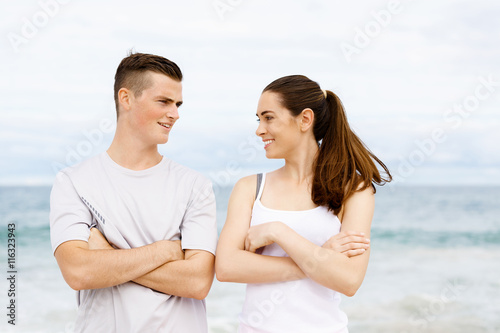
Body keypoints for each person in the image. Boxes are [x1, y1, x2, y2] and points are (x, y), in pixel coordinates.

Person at [49, 52, 218, 332]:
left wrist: (109, 256)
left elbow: (197, 282)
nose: (175, 114)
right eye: (163, 101)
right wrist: (165, 250)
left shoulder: (195, 185)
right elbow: (79, 272)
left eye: (177, 104)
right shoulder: (73, 182)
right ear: (125, 98)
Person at [215, 75, 391, 332]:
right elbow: (227, 267)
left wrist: (279, 232)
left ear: (305, 119)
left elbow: (349, 280)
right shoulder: (249, 188)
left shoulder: (354, 190)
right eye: (259, 119)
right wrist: (320, 260)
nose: (259, 129)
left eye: (269, 117)